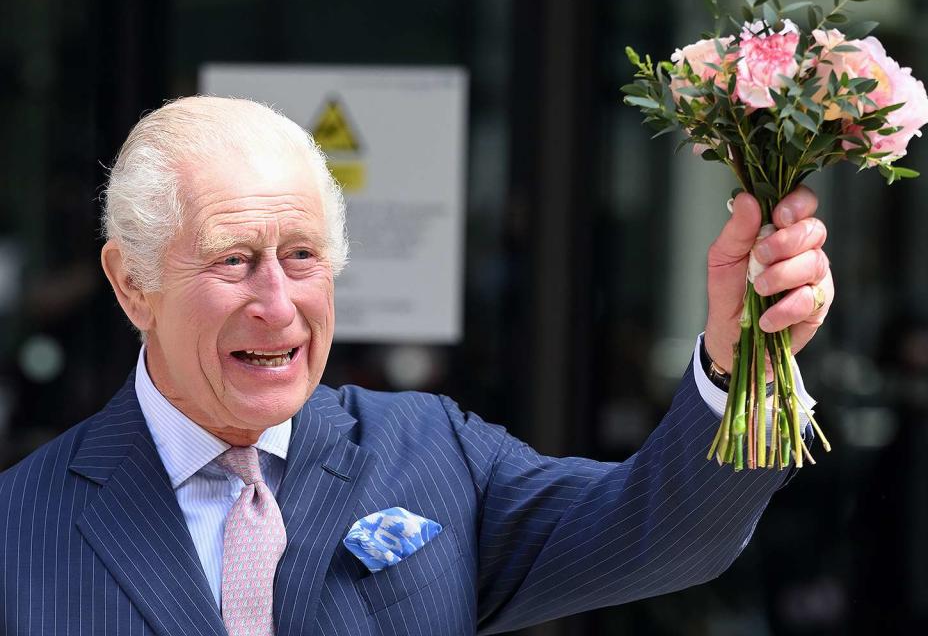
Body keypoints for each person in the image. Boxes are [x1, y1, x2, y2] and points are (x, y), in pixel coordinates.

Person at [0, 97, 833, 635]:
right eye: (232, 261)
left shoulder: (433, 451)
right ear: (132, 283)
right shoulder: (20, 526)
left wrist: (736, 362)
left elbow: (664, 534)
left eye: (301, 256)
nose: (278, 304)